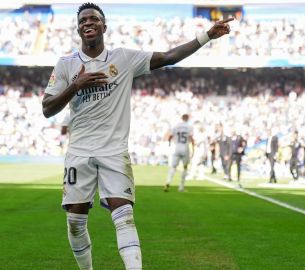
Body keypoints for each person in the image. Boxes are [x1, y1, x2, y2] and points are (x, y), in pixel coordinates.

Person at [41, 3, 232, 269]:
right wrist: (75, 85)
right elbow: (47, 109)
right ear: (78, 28)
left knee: (124, 215)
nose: (88, 22)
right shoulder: (66, 64)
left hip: (113, 151)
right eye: (83, 19)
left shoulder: (124, 58)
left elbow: (168, 57)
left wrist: (206, 36)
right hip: (79, 152)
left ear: (104, 26)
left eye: (94, 18)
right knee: (75, 222)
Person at [164, 114, 195, 192]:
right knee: (185, 168)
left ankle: (168, 182)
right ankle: (181, 187)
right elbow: (191, 138)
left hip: (177, 148)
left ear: (181, 118)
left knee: (173, 167)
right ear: (188, 119)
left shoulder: (176, 126)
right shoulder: (189, 127)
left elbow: (170, 136)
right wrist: (193, 148)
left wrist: (170, 143)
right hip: (185, 148)